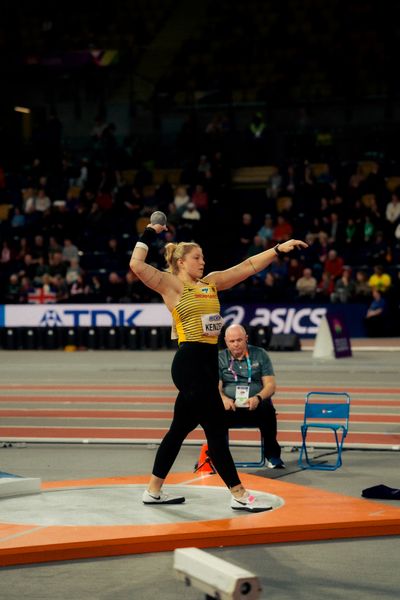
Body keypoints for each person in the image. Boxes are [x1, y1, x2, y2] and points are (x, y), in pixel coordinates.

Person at [129, 217, 307, 512]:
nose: (202, 261)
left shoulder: (210, 283)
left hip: (208, 363)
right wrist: (150, 231)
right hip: (189, 363)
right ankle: (239, 494)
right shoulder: (170, 284)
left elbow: (245, 267)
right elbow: (136, 264)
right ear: (181, 262)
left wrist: (278, 250)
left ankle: (153, 490)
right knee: (216, 429)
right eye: (196, 258)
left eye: (203, 257)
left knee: (178, 430)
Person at [218, 324, 284, 469]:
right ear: (225, 341)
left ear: (246, 338)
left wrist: (258, 398)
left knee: (268, 407)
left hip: (255, 406)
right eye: (232, 341)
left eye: (239, 340)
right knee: (214, 410)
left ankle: (272, 456)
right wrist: (223, 398)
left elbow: (270, 385)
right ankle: (218, 457)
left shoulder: (260, 354)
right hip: (231, 408)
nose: (236, 344)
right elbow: (216, 387)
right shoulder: (220, 357)